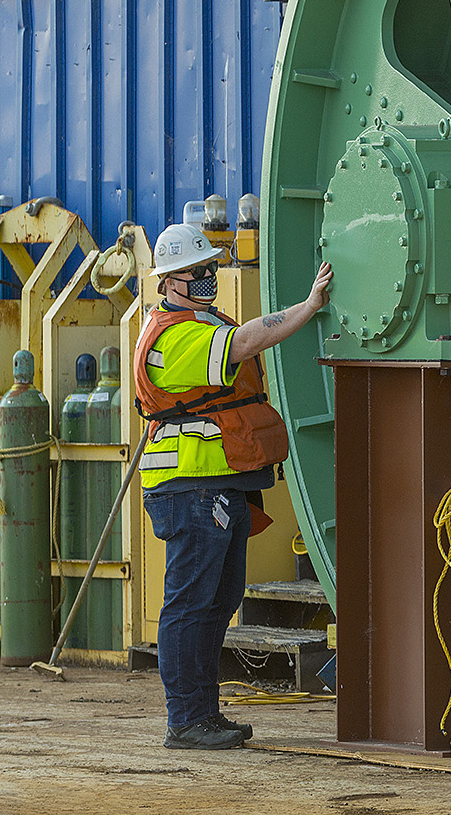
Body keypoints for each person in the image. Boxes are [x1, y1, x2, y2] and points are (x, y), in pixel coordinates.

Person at [135, 223, 331, 750]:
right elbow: (246, 340)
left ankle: (204, 713)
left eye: (211, 268)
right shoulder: (174, 337)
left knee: (217, 604)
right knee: (191, 604)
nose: (208, 277)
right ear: (170, 280)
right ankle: (185, 721)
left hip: (217, 486)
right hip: (191, 489)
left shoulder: (198, 324)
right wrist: (308, 305)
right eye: (198, 271)